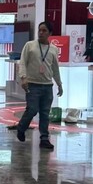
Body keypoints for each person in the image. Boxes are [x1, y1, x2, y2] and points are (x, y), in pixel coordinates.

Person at [16, 21, 63, 150]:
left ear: (50, 33)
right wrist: (23, 78)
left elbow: (55, 68)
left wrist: (59, 84)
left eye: (44, 31)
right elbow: (22, 63)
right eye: (40, 30)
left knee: (45, 113)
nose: (41, 33)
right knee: (32, 109)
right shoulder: (30, 46)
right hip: (32, 84)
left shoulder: (53, 49)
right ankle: (21, 127)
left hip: (47, 86)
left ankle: (44, 139)